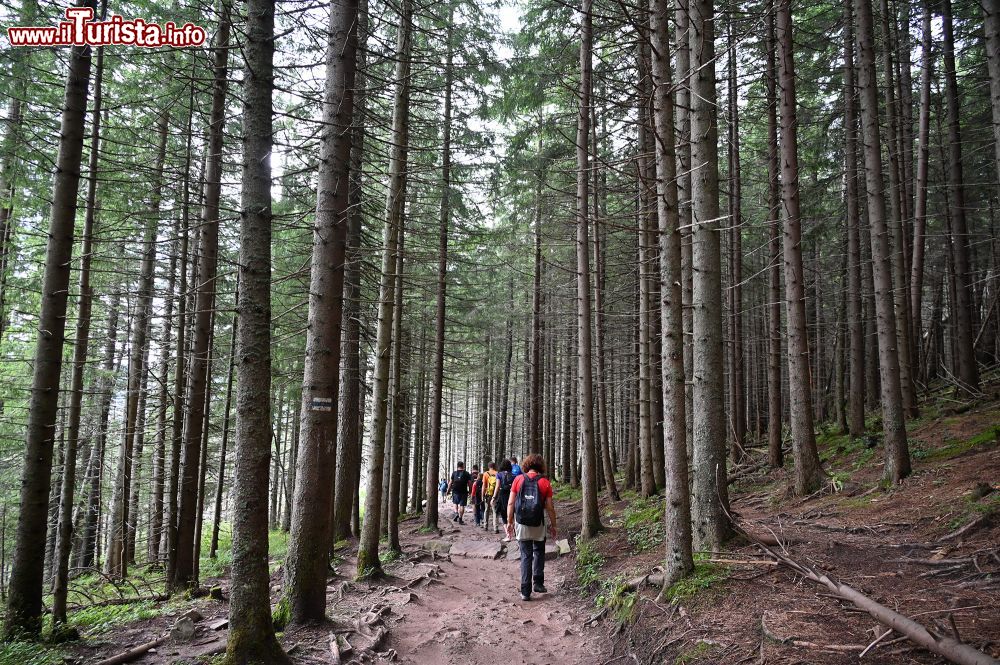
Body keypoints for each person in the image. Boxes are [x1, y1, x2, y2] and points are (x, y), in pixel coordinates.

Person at [506, 454, 557, 601]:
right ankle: (538, 583)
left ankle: (525, 591)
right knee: (539, 551)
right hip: (538, 523)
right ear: (541, 466)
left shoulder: (518, 479)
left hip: (521, 523)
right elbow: (550, 507)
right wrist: (553, 525)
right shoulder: (545, 482)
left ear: (526, 465)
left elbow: (511, 503)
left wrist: (510, 522)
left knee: (526, 555)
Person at [492, 459, 514, 538]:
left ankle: (508, 535)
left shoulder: (499, 474)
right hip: (512, 495)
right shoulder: (513, 475)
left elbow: (497, 486)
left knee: (503, 514)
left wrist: (494, 497)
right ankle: (512, 530)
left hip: (502, 495)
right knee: (512, 513)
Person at [482, 462, 498, 531]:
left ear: (488, 467)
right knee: (495, 511)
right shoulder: (497, 473)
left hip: (488, 494)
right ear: (494, 466)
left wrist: (482, 495)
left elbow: (484, 485)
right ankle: (495, 528)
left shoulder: (485, 474)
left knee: (486, 510)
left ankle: (485, 526)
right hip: (495, 494)